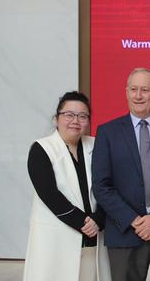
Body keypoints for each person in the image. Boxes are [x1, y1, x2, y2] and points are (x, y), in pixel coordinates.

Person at [92, 68, 150, 281]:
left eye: (144, 90)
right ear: (126, 92)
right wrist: (135, 221)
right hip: (124, 232)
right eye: (133, 89)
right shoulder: (108, 132)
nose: (138, 95)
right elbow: (101, 185)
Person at [24, 91, 111, 281]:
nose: (75, 121)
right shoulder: (42, 148)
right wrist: (85, 223)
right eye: (69, 115)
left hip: (94, 239)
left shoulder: (95, 145)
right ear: (57, 118)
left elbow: (108, 185)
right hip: (56, 237)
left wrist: (98, 219)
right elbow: (49, 194)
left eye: (82, 116)